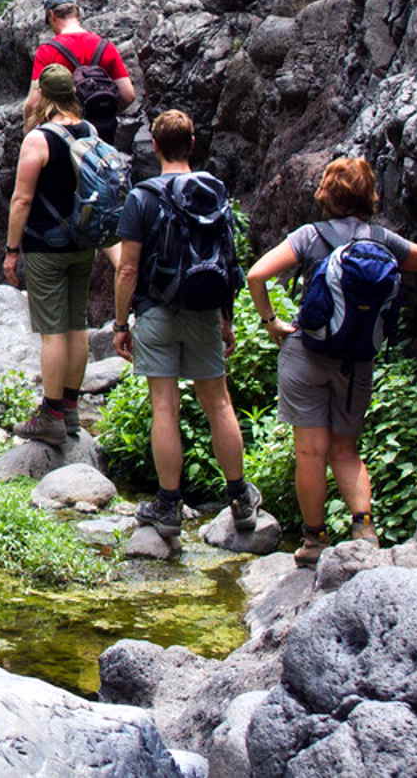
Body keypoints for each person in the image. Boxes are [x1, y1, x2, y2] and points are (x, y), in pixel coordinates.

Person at [244, 156, 417, 566]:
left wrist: (271, 322)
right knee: (346, 451)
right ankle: (364, 530)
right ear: (370, 195)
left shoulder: (309, 236)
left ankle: (314, 541)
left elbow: (256, 275)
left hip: (307, 352)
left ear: (326, 193)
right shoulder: (381, 239)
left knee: (310, 452)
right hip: (357, 359)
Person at [112, 110, 259, 535]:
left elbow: (127, 270)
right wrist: (227, 317)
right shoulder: (214, 190)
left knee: (165, 406)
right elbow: (228, 258)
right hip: (205, 309)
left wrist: (122, 324)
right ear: (191, 143)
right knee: (219, 403)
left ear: (154, 146)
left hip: (157, 310)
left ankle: (169, 506)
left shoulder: (142, 196)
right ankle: (240, 499)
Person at [3, 65, 99, 445]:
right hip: (83, 243)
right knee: (78, 325)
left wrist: (12, 250)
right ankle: (71, 410)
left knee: (52, 332)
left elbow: (22, 198)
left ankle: (51, 414)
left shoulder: (39, 138)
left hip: (46, 245)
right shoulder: (89, 132)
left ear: (42, 95)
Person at [31, 0, 137, 144]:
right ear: (77, 12)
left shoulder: (47, 51)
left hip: (64, 138)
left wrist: (29, 129)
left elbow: (34, 102)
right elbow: (128, 95)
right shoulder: (105, 46)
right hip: (101, 137)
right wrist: (102, 112)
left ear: (52, 16)